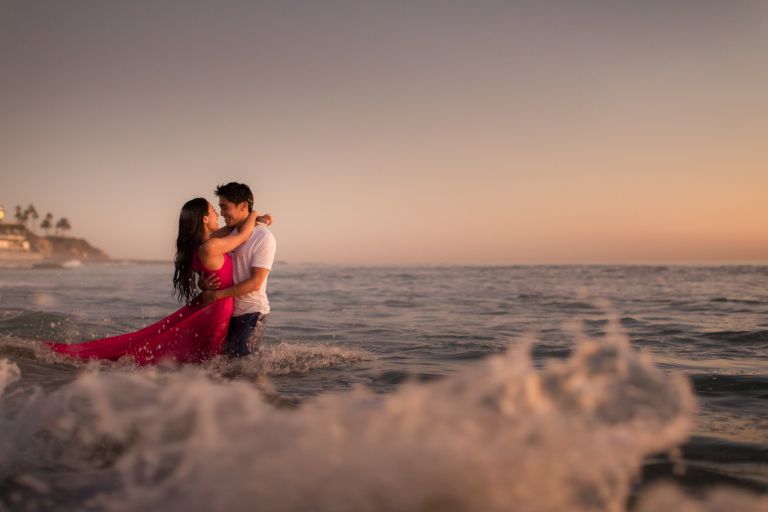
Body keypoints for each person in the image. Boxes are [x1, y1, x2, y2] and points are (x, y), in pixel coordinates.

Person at [46, 198, 269, 365]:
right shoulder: (210, 246)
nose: (218, 214)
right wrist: (254, 212)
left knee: (194, 351)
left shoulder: (203, 244)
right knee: (209, 358)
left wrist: (203, 284)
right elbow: (240, 236)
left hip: (214, 304)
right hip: (218, 307)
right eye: (213, 210)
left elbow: (230, 232)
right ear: (204, 219)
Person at [199, 182, 276, 358]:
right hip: (228, 310)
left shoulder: (263, 238)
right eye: (219, 207)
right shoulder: (229, 233)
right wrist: (204, 283)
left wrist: (217, 295)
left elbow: (255, 283)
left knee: (242, 367)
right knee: (225, 364)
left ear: (243, 206)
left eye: (225, 207)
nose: (221, 213)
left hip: (251, 312)